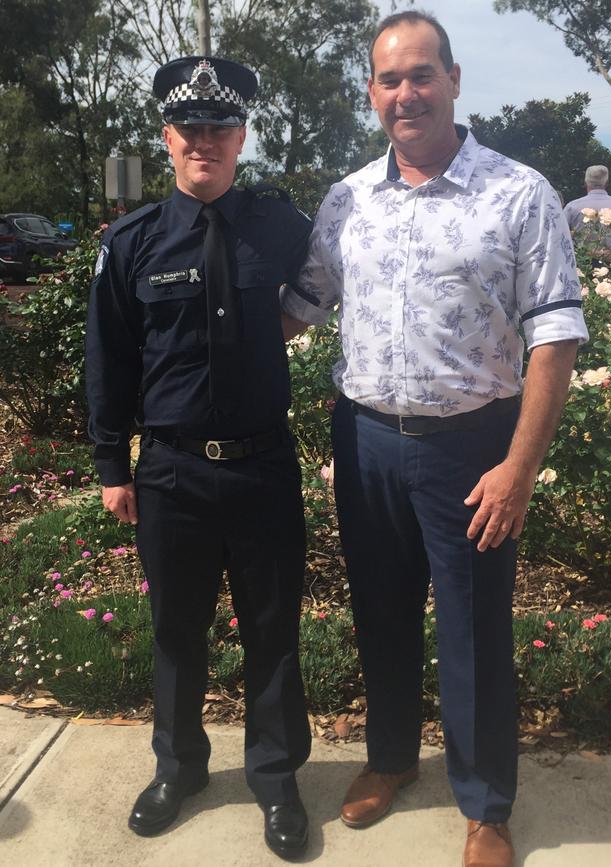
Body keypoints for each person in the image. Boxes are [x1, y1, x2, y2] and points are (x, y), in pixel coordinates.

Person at [280, 11, 588, 867]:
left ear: (454, 80)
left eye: (422, 75)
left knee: (475, 629)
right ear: (371, 93)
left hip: (474, 446)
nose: (406, 93)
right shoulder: (347, 199)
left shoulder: (519, 192)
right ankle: (388, 760)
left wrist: (520, 466)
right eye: (389, 79)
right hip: (367, 439)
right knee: (379, 615)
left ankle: (487, 803)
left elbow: (554, 336)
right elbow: (296, 313)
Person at [85, 56, 312, 860]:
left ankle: (277, 779)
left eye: (220, 126)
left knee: (273, 631)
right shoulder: (133, 240)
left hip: (262, 468)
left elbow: (327, 285)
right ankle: (178, 768)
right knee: (178, 631)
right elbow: (108, 358)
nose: (204, 141)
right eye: (190, 127)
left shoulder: (281, 226)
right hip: (173, 471)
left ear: (241, 135)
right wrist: (113, 464)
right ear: (167, 136)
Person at [563, 165, 611, 255]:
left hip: (580, 263)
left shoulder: (572, 207)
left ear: (585, 183)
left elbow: (560, 236)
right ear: (607, 183)